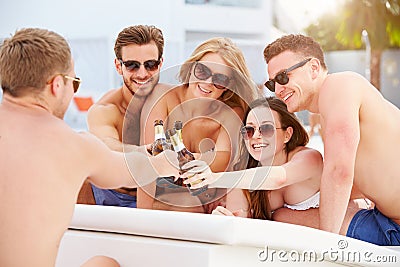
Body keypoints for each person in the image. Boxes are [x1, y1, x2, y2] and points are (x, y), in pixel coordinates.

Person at [0, 28, 180, 267]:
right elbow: (133, 168)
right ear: (56, 85)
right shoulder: (74, 145)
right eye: (74, 83)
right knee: (105, 264)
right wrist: (163, 159)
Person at [262, 34, 400, 245]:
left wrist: (326, 247)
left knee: (282, 217)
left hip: (394, 228)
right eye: (272, 84)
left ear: (314, 68)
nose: (278, 89)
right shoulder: (333, 105)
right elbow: (369, 173)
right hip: (387, 218)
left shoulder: (338, 86)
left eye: (283, 78)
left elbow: (339, 172)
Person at [138, 37, 259, 213]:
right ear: (191, 67)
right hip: (159, 192)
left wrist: (172, 159)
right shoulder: (162, 96)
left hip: (199, 196)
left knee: (191, 203)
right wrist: (141, 218)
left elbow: (220, 162)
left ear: (229, 85)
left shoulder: (232, 113)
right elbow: (150, 162)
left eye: (220, 79)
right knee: (188, 203)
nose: (208, 82)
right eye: (202, 71)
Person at [183, 97, 323, 219]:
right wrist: (226, 219)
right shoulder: (242, 176)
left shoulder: (309, 158)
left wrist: (212, 178)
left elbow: (279, 178)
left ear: (287, 134)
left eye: (266, 128)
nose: (255, 136)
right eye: (249, 130)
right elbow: (237, 221)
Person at [81, 25, 166, 208]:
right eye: (132, 65)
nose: (142, 74)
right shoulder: (105, 109)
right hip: (108, 192)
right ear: (118, 66)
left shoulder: (172, 102)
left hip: (157, 197)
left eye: (150, 65)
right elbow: (108, 145)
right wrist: (151, 151)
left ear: (161, 63)